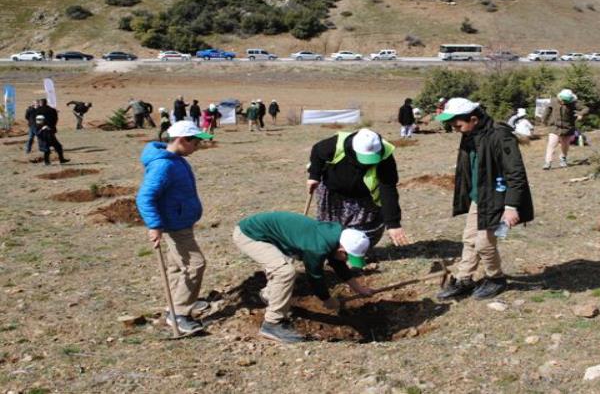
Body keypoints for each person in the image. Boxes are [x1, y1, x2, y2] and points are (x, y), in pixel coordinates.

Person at [433, 98, 534, 300]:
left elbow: (516, 174)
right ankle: (464, 279)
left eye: (458, 125)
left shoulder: (500, 135)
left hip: (498, 198)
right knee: (469, 239)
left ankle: (496, 278)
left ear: (473, 119)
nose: (455, 129)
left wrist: (511, 206)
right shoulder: (471, 133)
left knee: (485, 244)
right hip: (479, 197)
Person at [233, 211, 375, 343]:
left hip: (265, 233)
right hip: (249, 235)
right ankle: (272, 324)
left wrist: (359, 289)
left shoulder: (338, 235)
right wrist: (327, 299)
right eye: (348, 257)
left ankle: (269, 295)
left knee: (283, 267)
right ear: (342, 249)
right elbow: (315, 276)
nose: (347, 262)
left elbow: (338, 264)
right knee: (284, 272)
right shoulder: (316, 247)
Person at [135, 121, 214, 334]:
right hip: (174, 225)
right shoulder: (164, 165)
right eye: (195, 142)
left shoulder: (176, 159)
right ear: (181, 140)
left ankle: (177, 301)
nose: (198, 146)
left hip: (180, 221)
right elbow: (145, 197)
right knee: (195, 264)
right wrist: (154, 225)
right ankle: (179, 314)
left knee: (176, 266)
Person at [307, 129, 409, 249]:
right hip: (333, 193)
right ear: (353, 150)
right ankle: (332, 253)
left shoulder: (385, 157)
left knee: (365, 229)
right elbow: (317, 152)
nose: (367, 163)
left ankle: (354, 251)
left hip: (364, 198)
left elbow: (388, 188)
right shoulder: (335, 144)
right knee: (330, 228)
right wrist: (314, 175)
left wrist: (393, 223)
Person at [542, 89, 587, 170]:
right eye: (563, 100)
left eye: (566, 101)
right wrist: (544, 121)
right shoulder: (553, 102)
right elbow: (546, 112)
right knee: (552, 144)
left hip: (568, 128)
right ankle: (548, 162)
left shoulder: (573, 103)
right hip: (554, 127)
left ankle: (563, 159)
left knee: (565, 145)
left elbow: (585, 108)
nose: (564, 102)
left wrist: (580, 114)